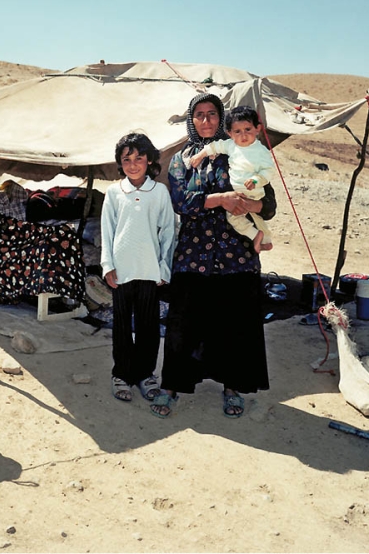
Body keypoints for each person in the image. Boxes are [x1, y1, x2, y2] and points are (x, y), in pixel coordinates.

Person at [151, 92, 276, 419]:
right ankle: (171, 387)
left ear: (222, 119)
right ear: (191, 120)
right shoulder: (181, 159)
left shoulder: (241, 149)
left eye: (212, 114)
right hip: (193, 253)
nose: (206, 120)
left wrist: (250, 204)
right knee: (182, 323)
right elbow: (181, 201)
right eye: (199, 115)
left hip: (236, 253)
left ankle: (232, 387)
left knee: (233, 323)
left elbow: (269, 204)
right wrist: (221, 199)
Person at [100, 132, 176, 403]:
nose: (133, 165)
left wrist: (164, 268)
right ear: (120, 163)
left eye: (138, 158)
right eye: (127, 159)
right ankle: (121, 375)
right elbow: (107, 231)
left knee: (148, 326)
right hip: (122, 271)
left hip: (149, 271)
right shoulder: (114, 192)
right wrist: (107, 265)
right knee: (121, 325)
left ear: (149, 160)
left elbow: (168, 232)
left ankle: (145, 375)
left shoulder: (159, 192)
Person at [189, 105, 276, 253]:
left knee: (238, 217)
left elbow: (268, 171)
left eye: (247, 129)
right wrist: (200, 155)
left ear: (257, 128)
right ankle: (264, 240)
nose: (243, 135)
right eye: (237, 131)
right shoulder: (231, 145)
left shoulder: (261, 151)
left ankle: (256, 236)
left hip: (252, 191)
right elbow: (214, 146)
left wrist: (256, 180)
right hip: (236, 195)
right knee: (254, 218)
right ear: (229, 133)